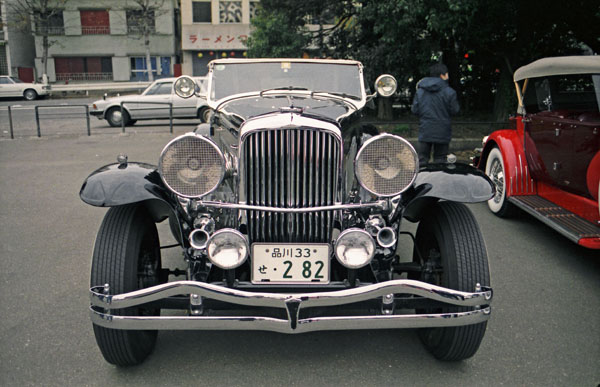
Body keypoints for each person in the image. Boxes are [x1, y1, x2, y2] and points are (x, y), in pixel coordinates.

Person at [411, 63, 460, 166]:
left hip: (425, 130)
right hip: (442, 131)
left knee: (422, 160)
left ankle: (421, 180)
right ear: (443, 75)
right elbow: (455, 110)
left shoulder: (420, 91)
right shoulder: (450, 92)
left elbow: (415, 110)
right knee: (440, 160)